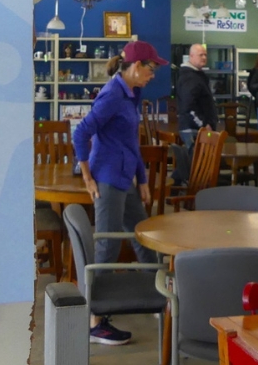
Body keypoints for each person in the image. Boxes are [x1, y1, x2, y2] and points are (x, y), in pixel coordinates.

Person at [72, 39, 167, 346]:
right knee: (107, 248)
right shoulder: (112, 95)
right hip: (109, 179)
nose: (153, 75)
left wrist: (142, 179)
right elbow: (81, 132)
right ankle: (93, 321)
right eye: (151, 68)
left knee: (142, 236)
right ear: (136, 66)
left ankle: (159, 297)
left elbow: (130, 142)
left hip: (125, 177)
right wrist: (87, 175)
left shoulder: (132, 92)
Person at [175, 43, 217, 183]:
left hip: (196, 128)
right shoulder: (190, 77)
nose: (204, 57)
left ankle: (174, 189)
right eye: (201, 55)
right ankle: (176, 190)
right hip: (194, 128)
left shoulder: (196, 75)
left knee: (192, 163)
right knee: (195, 165)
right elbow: (189, 106)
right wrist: (204, 125)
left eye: (205, 54)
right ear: (191, 56)